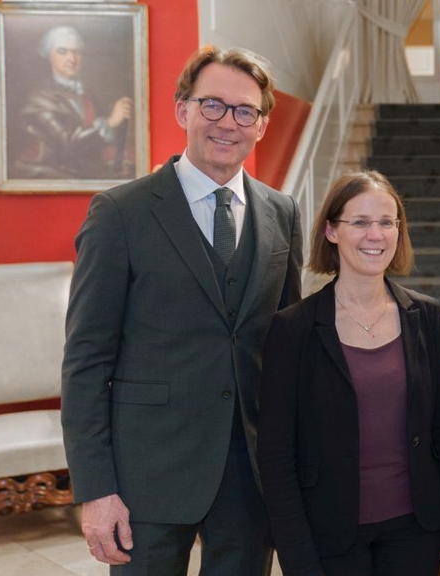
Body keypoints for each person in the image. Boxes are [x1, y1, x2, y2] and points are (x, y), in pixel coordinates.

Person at [61, 45, 303, 575]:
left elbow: (288, 352)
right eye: (212, 105)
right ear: (182, 110)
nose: (228, 123)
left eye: (246, 111)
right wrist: (96, 489)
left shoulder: (282, 213)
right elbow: (85, 362)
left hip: (249, 477)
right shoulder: (118, 213)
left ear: (261, 125)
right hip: (145, 475)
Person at [257, 170, 440, 576]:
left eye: (386, 222)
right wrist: (296, 557)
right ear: (331, 231)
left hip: (417, 531)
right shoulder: (293, 329)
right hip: (329, 535)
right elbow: (276, 457)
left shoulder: (424, 316)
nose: (375, 235)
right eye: (359, 222)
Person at [14, 25, 134, 179]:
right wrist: (110, 122)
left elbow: (102, 143)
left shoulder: (86, 95)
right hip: (49, 174)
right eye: (62, 52)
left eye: (76, 52)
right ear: (49, 56)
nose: (71, 59)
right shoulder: (39, 100)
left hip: (83, 171)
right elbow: (66, 145)